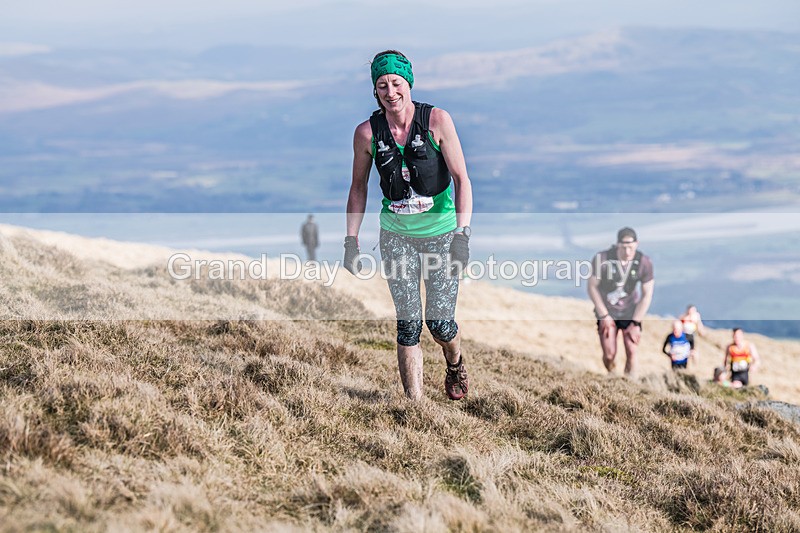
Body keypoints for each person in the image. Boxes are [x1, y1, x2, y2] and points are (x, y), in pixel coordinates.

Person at [343, 50, 473, 401]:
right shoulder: (367, 134)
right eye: (382, 85)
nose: (390, 91)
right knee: (408, 324)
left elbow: (462, 179)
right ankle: (415, 405)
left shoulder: (437, 121)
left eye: (396, 83)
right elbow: (358, 187)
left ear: (408, 84)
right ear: (375, 90)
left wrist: (462, 235)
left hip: (442, 234)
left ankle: (454, 361)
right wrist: (351, 241)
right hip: (396, 235)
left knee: (440, 324)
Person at [587, 227, 655, 376]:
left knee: (631, 348)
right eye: (624, 247)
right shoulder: (603, 259)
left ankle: (630, 384)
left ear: (637, 244)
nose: (627, 251)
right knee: (609, 354)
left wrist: (636, 322)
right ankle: (612, 376)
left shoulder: (644, 262)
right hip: (607, 309)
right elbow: (592, 287)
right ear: (617, 245)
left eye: (631, 247)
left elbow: (647, 294)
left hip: (630, 311)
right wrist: (604, 315)